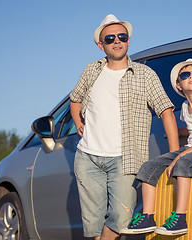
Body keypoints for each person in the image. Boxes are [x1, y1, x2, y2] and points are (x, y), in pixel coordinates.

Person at [70, 14, 179, 240]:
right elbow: (75, 98)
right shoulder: (92, 70)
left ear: (129, 41)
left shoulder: (145, 75)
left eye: (122, 36)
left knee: (121, 217)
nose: (117, 41)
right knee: (93, 223)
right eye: (110, 38)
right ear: (101, 45)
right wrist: (78, 122)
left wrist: (175, 153)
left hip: (125, 159)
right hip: (88, 157)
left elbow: (166, 112)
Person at [120, 59, 192, 236]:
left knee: (182, 163)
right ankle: (147, 217)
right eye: (185, 75)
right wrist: (176, 133)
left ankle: (180, 218)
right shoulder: (185, 106)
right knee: (149, 166)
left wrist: (177, 157)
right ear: (179, 84)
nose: (191, 77)